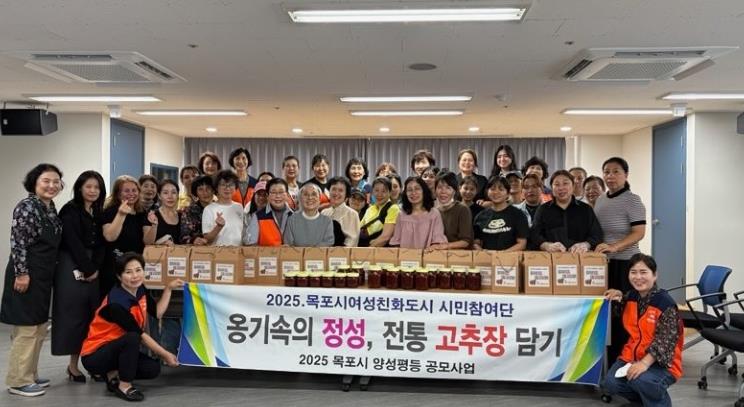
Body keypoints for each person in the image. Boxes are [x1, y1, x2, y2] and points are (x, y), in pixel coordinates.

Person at [81, 253, 181, 402]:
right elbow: (140, 336)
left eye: (138, 270)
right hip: (95, 355)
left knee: (152, 369)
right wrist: (165, 354)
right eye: (128, 272)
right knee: (133, 337)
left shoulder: (140, 289)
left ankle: (113, 374)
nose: (135, 276)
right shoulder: (116, 303)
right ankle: (124, 386)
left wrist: (168, 289)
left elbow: (157, 313)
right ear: (119, 276)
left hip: (119, 348)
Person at [1, 164, 64, 397]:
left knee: (38, 327)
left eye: (56, 181)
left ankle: (30, 374)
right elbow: (18, 243)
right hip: (26, 274)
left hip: (43, 275)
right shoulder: (26, 206)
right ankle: (18, 381)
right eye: (46, 181)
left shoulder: (49, 207)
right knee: (27, 328)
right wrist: (22, 273)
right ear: (34, 183)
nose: (51, 185)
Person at [602, 254, 683, 407]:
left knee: (642, 380)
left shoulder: (665, 304)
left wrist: (644, 364)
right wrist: (617, 294)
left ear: (655, 275)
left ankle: (659, 403)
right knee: (611, 383)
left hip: (662, 362)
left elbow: (664, 342)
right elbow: (621, 304)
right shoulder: (632, 296)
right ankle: (644, 402)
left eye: (643, 272)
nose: (638, 277)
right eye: (633, 272)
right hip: (631, 356)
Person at [52, 170, 106, 384]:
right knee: (73, 317)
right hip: (71, 265)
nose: (92, 191)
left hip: (93, 267)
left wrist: (95, 267)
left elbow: (102, 243)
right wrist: (88, 268)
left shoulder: (98, 211)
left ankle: (93, 364)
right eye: (88, 186)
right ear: (80, 188)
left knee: (92, 317)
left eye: (97, 187)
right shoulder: (70, 210)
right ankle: (73, 366)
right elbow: (72, 242)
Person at [593, 157, 647, 294]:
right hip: (603, 262)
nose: (610, 176)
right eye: (606, 172)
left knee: (624, 302)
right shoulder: (600, 200)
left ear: (626, 175)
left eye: (616, 171)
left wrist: (614, 247)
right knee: (605, 302)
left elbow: (639, 233)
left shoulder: (633, 200)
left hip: (626, 262)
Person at [530, 170, 602, 253]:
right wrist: (546, 245)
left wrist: (586, 244)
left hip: (580, 257)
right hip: (551, 257)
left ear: (573, 186)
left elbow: (597, 235)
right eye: (557, 184)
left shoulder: (586, 209)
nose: (561, 188)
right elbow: (534, 235)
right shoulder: (543, 209)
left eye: (565, 183)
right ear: (552, 188)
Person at [101, 175, 147, 295]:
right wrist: (121, 214)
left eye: (134, 190)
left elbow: (147, 240)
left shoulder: (141, 213)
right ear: (118, 194)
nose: (131, 193)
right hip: (114, 269)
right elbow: (109, 237)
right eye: (126, 191)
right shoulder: (110, 211)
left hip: (135, 269)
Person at [389, 176, 448, 249]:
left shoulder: (434, 214)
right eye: (409, 190)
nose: (413, 193)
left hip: (428, 255)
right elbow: (396, 243)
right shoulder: (401, 215)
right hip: (405, 256)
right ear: (405, 194)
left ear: (424, 191)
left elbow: (437, 242)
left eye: (417, 189)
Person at [473, 177, 529, 251]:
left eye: (501, 189)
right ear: (487, 192)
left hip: (510, 257)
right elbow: (476, 243)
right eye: (492, 189)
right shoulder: (480, 216)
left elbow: (522, 244)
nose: (496, 192)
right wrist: (483, 252)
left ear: (508, 193)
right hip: (486, 257)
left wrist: (502, 255)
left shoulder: (518, 215)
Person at [244, 178, 293, 246]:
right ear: (268, 195)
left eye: (281, 192)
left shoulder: (295, 216)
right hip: (265, 253)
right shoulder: (258, 217)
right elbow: (251, 245)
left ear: (287, 194)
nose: (278, 196)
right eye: (273, 192)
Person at [202, 170, 244, 246]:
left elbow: (242, 234)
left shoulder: (239, 207)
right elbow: (207, 239)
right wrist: (218, 227)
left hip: (238, 251)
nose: (227, 188)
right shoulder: (209, 209)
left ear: (235, 188)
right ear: (216, 188)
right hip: (218, 252)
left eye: (231, 185)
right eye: (223, 184)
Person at [435, 172, 473, 249]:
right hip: (438, 253)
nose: (443, 191)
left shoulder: (462, 209)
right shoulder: (434, 211)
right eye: (439, 187)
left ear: (454, 191)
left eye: (448, 188)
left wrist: (445, 246)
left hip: (459, 254)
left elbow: (466, 241)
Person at [359, 177, 399, 247]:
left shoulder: (393, 209)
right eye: (376, 190)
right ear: (372, 192)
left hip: (380, 250)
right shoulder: (370, 209)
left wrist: (366, 251)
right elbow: (359, 229)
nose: (379, 194)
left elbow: (385, 237)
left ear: (390, 192)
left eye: (383, 191)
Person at [321, 177, 360, 247]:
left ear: (346, 194)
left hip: (342, 252)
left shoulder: (352, 214)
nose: (336, 193)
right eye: (333, 189)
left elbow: (352, 241)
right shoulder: (324, 212)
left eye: (340, 190)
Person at [143, 179, 181, 246]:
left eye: (173, 192)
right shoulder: (152, 215)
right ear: (159, 196)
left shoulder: (183, 216)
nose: (170, 196)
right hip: (157, 253)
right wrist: (154, 225)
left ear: (178, 195)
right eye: (165, 193)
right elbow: (147, 242)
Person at [179, 175, 213, 245]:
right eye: (200, 189)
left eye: (208, 188)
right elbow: (183, 237)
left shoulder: (219, 208)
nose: (205, 192)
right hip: (198, 248)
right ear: (196, 192)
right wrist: (193, 240)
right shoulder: (189, 211)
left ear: (213, 190)